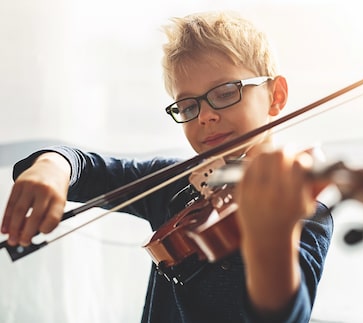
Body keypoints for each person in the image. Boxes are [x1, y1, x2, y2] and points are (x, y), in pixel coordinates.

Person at [1, 11, 333, 323]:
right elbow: (91, 169)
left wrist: (273, 236)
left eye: (225, 92)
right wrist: (52, 165)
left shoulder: (301, 209)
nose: (205, 116)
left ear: (276, 96)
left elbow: (284, 315)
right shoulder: (181, 187)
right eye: (188, 105)